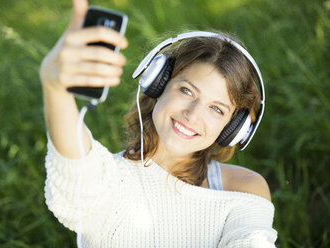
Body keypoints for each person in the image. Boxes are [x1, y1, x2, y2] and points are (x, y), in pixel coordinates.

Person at [40, 0, 277, 247]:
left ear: (233, 128)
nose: (193, 114)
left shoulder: (245, 190)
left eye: (216, 109)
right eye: (186, 90)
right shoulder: (110, 182)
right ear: (158, 84)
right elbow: (76, 166)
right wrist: (55, 89)